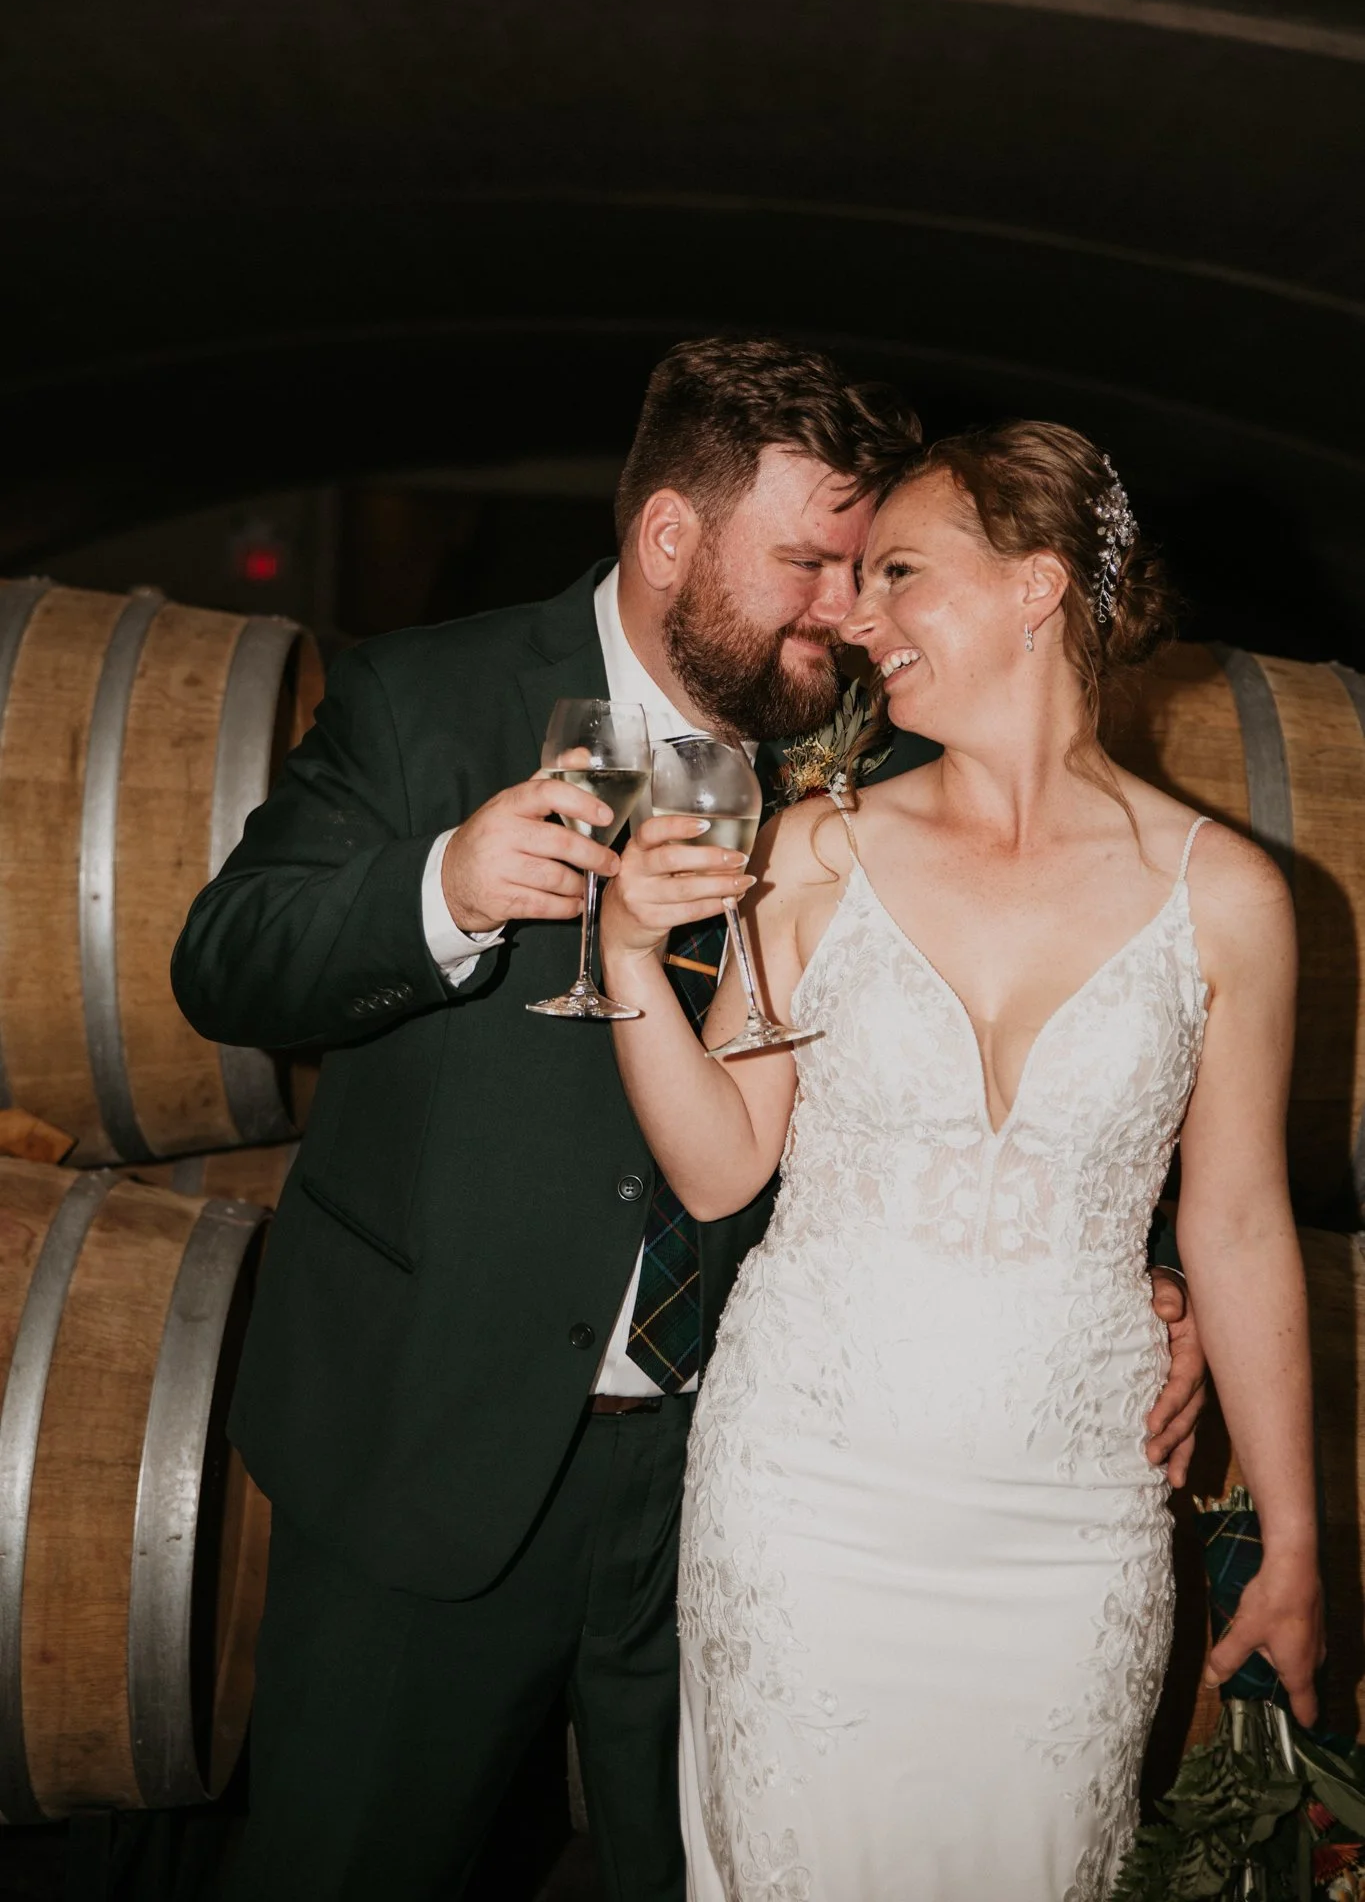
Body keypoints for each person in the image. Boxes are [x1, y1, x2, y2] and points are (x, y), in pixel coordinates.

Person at [170, 350, 1207, 1902]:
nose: (843, 612)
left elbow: (1051, 1036)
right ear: (669, 538)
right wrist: (440, 888)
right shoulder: (428, 697)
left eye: (865, 570)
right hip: (434, 1451)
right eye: (805, 563)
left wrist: (1145, 1278)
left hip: (754, 1489)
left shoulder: (883, 742)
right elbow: (224, 961)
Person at [599, 421, 1321, 1901]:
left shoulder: (1230, 897)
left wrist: (1299, 1541)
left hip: (1070, 1538)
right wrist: (622, 952)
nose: (854, 618)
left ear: (1037, 588)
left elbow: (1240, 1221)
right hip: (803, 1507)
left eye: (899, 574)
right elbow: (723, 1169)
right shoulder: (814, 853)